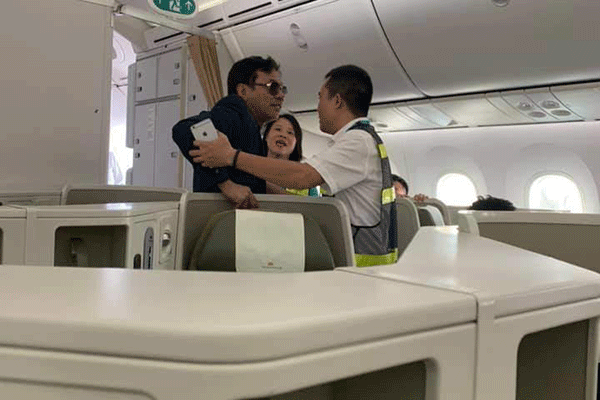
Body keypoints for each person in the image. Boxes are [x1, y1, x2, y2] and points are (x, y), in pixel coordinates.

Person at [192, 65, 398, 267]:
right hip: (359, 266)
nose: (318, 107)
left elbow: (303, 177)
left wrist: (231, 156)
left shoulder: (358, 141)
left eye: (320, 98)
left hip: (362, 271)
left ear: (337, 101)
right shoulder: (358, 140)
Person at [172, 55, 286, 209]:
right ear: (243, 90)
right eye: (273, 87)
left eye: (282, 89)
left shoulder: (252, 127)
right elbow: (184, 129)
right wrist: (225, 184)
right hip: (220, 216)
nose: (281, 95)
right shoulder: (232, 112)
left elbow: (245, 177)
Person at [262, 114, 319, 197]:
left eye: (290, 133)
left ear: (296, 143)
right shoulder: (250, 169)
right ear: (266, 136)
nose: (283, 135)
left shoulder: (308, 182)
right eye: (278, 129)